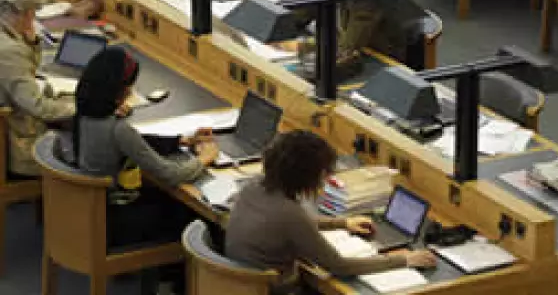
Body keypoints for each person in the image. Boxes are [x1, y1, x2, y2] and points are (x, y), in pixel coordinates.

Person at [66, 47, 219, 293]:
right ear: (120, 90)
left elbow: (135, 142)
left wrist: (181, 140)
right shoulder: (118, 129)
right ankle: (174, 286)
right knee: (195, 216)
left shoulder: (84, 114)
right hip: (118, 221)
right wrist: (204, 159)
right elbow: (169, 174)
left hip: (95, 212)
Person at [226, 130, 436, 292]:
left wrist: (342, 223)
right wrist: (405, 259)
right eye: (322, 173)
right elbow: (339, 266)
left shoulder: (254, 187)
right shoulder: (289, 215)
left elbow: (292, 224)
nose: (324, 179)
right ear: (305, 175)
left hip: (242, 286)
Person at [0, 0, 74, 178]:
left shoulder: (8, 39)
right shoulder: (9, 51)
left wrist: (31, 42)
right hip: (15, 146)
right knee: (84, 143)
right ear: (24, 14)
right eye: (33, 12)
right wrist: (80, 108)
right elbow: (39, 108)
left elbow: (28, 72)